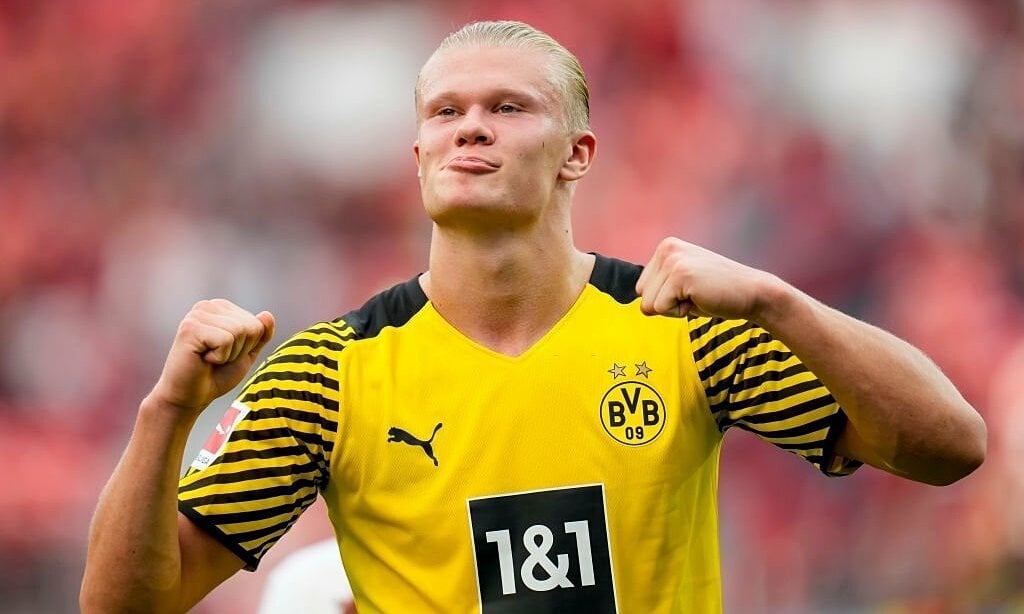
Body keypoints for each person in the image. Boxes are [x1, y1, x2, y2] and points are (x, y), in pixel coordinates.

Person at [80, 20, 986, 613]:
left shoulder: (682, 327)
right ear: (419, 152)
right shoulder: (330, 374)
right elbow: (125, 604)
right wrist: (167, 411)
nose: (470, 127)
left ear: (577, 153)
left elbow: (950, 447)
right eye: (446, 111)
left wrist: (777, 301)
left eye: (508, 108)